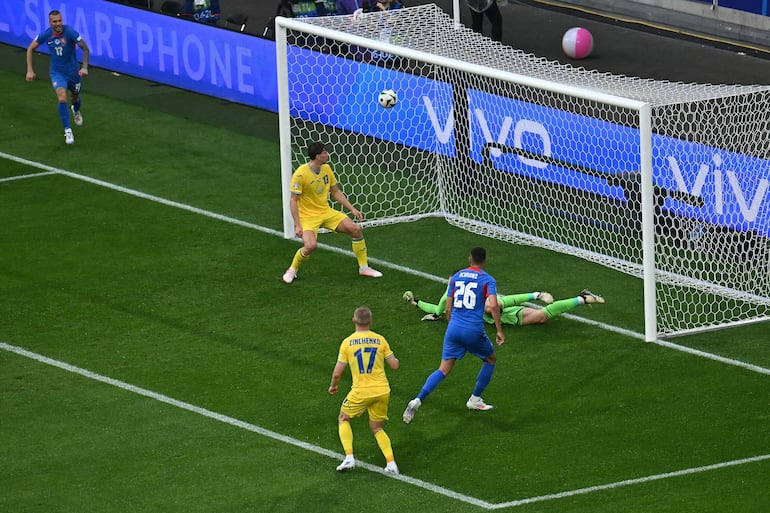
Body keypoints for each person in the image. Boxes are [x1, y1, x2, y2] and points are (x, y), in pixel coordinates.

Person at [403, 247, 505, 424]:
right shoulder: (488, 280)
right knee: (490, 359)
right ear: (485, 261)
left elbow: (448, 307)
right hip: (473, 329)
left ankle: (417, 400)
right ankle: (475, 400)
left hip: (454, 328)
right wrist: (499, 330)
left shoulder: (456, 277)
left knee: (443, 369)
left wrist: (452, 325)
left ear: (469, 259)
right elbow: (494, 306)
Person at [282, 142, 382, 283]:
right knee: (310, 246)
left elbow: (335, 191)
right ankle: (292, 269)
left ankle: (364, 268)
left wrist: (352, 208)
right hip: (308, 217)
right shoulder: (300, 174)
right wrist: (297, 225)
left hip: (326, 212)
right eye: (324, 152)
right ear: (317, 156)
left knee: (355, 229)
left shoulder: (327, 169)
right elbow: (293, 200)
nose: (327, 154)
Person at [329, 306, 400, 474]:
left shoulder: (347, 343)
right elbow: (395, 365)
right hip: (382, 391)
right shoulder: (380, 339)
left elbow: (338, 373)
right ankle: (391, 463)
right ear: (371, 321)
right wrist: (391, 357)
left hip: (361, 392)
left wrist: (333, 385)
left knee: (343, 418)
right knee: (377, 428)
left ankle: (349, 458)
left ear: (354, 321)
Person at [25, 10, 90, 145]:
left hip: (73, 73)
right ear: (50, 23)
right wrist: (30, 70)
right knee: (61, 97)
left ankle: (76, 110)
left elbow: (85, 48)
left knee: (75, 97)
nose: (58, 24)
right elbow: (30, 48)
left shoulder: (70, 32)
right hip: (57, 73)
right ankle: (67, 130)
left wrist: (84, 67)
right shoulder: (46, 35)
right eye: (55, 21)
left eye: (60, 20)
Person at [402, 288, 605, 324]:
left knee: (493, 306)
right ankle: (582, 298)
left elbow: (505, 301)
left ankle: (581, 298)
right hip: (500, 315)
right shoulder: (449, 297)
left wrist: (536, 295)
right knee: (542, 319)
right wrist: (416, 302)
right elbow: (436, 312)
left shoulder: (478, 297)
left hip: (499, 310)